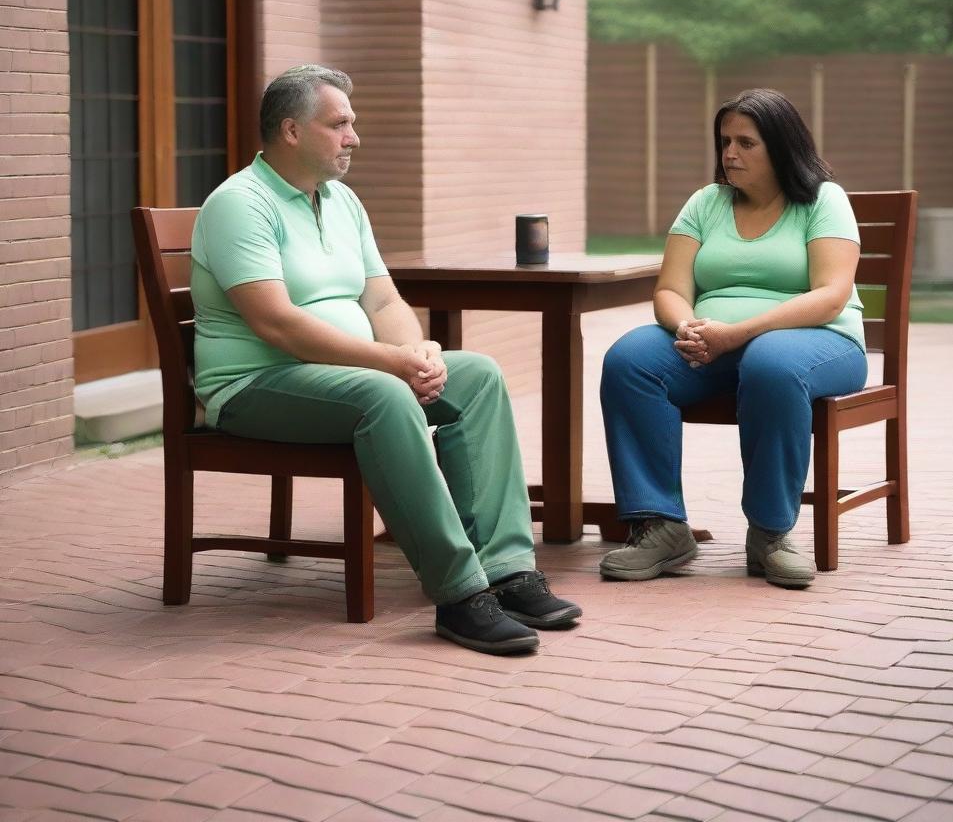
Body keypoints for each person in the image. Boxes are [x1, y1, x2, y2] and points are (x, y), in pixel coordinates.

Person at [190, 64, 581, 653]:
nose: (354, 136)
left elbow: (382, 296)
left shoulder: (341, 201)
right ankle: (459, 595)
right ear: (292, 131)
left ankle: (506, 569)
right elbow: (278, 323)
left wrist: (416, 350)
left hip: (343, 374)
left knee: (476, 375)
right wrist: (389, 365)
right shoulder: (240, 205)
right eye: (340, 123)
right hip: (255, 385)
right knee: (385, 395)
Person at [599, 88, 868, 588]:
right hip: (715, 341)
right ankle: (659, 526)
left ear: (782, 146)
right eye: (725, 141)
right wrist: (686, 327)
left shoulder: (824, 200)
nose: (729, 154)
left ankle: (770, 533)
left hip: (820, 341)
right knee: (631, 359)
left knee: (770, 361)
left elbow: (831, 295)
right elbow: (670, 289)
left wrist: (736, 334)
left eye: (746, 143)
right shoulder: (706, 202)